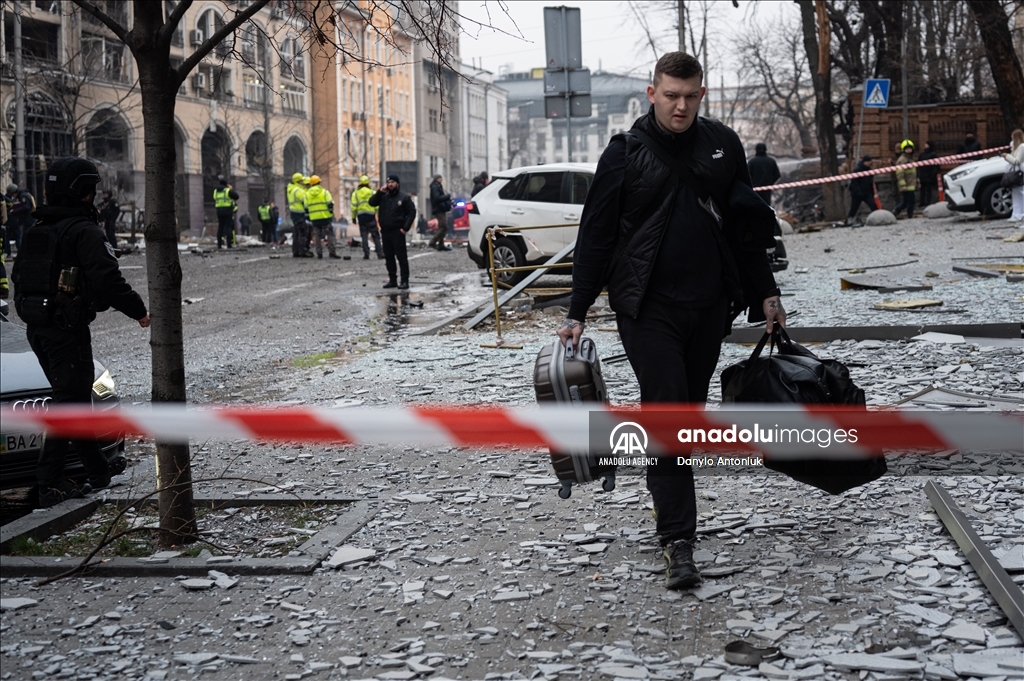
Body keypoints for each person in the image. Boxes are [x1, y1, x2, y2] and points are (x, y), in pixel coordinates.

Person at [555, 52, 784, 591]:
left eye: (690, 96)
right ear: (651, 92)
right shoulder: (624, 153)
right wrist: (577, 309)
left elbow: (744, 228)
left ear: (701, 95)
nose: (680, 106)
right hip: (646, 308)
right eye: (671, 95)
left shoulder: (722, 144)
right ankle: (678, 539)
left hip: (709, 307)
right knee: (668, 413)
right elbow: (596, 235)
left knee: (688, 411)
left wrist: (767, 294)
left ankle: (673, 514)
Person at [10, 157, 150, 508]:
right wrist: (139, 311)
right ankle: (50, 482)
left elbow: (19, 280)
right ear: (84, 193)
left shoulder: (39, 229)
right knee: (69, 402)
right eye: (92, 190)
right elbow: (107, 277)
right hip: (64, 329)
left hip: (38, 328)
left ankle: (97, 470)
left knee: (74, 397)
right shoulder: (82, 230)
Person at [369, 174, 416, 289]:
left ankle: (404, 281)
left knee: (401, 257)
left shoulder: (403, 197)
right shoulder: (384, 196)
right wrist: (380, 192)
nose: (390, 184)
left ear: (397, 184)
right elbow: (372, 202)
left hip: (398, 231)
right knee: (389, 257)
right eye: (389, 182)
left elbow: (411, 212)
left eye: (393, 182)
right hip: (385, 231)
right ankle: (392, 280)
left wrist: (405, 228)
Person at [304, 175, 339, 259]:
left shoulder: (307, 194)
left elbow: (306, 208)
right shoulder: (324, 192)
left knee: (317, 236)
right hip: (325, 217)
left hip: (315, 219)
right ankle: (332, 252)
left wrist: (308, 217)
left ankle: (319, 253)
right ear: (319, 182)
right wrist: (330, 213)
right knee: (329, 234)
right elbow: (330, 204)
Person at [351, 175, 382, 260]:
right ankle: (380, 253)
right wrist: (379, 215)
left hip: (361, 217)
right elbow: (377, 206)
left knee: (364, 236)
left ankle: (366, 254)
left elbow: (353, 207)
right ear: (368, 183)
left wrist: (353, 217)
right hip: (371, 216)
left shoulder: (355, 193)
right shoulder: (372, 192)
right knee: (375, 235)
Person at [5, 182, 36, 257]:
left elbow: (26, 207)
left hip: (28, 219)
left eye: (12, 194)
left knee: (26, 236)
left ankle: (27, 253)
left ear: (14, 192)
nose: (13, 196)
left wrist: (14, 211)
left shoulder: (23, 196)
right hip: (29, 219)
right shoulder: (24, 194)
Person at [287, 172, 312, 258]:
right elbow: (306, 202)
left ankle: (296, 251)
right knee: (303, 233)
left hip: (294, 214)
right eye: (301, 180)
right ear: (298, 181)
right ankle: (303, 251)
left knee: (297, 233)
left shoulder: (291, 189)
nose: (303, 182)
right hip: (300, 213)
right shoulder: (299, 191)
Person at [846, 155, 876, 226]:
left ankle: (876, 217)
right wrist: (858, 192)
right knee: (854, 208)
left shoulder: (869, 170)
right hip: (857, 194)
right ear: (864, 162)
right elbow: (854, 183)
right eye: (868, 161)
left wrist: (872, 193)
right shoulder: (857, 170)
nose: (870, 163)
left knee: (873, 205)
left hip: (866, 192)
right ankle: (849, 219)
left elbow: (870, 183)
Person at [1004, 128, 1024, 224]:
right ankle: (1016, 213)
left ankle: (1020, 214)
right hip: (1016, 172)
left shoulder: (1022, 147)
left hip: (1019, 173)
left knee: (1020, 193)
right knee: (1015, 194)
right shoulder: (1016, 148)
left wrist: (1007, 156)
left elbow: (1017, 161)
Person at [428, 174, 452, 251]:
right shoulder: (435, 187)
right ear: (438, 179)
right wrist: (447, 197)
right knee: (444, 227)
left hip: (441, 208)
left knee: (442, 227)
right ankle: (433, 241)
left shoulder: (438, 186)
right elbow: (437, 198)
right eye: (441, 178)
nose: (442, 179)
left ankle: (441, 244)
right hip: (438, 209)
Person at [893, 139, 917, 218]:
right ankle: (907, 214)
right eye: (907, 149)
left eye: (910, 148)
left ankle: (897, 212)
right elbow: (899, 173)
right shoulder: (902, 159)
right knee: (909, 201)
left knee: (907, 201)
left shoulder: (911, 158)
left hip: (911, 183)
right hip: (906, 184)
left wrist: (918, 181)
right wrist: (903, 184)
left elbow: (914, 172)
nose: (909, 150)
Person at [213, 177, 239, 249]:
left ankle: (219, 244)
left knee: (220, 227)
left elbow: (215, 198)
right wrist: (231, 189)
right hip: (227, 210)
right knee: (228, 227)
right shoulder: (227, 191)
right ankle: (229, 244)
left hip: (219, 210)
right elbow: (236, 196)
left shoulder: (215, 191)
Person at [917, 141, 939, 208]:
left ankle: (928, 202)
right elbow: (919, 164)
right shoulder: (922, 154)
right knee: (922, 190)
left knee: (928, 190)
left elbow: (936, 165)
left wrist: (933, 174)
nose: (925, 146)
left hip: (929, 175)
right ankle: (922, 202)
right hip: (923, 175)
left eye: (927, 145)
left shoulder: (933, 154)